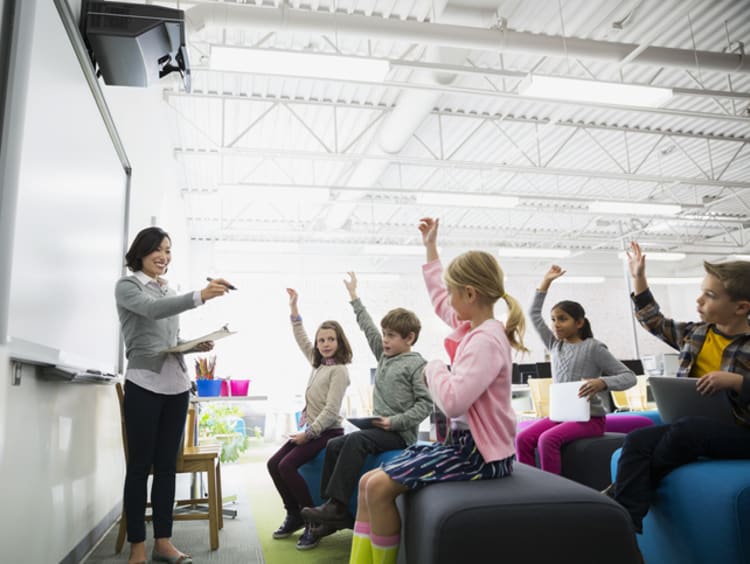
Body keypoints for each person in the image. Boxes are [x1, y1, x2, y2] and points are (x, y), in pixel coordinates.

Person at [346, 217, 527, 564]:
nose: (448, 302)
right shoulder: (475, 326)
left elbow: (452, 401)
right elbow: (441, 300)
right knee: (368, 481)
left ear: (470, 294)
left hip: (480, 455)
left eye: (455, 292)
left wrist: (434, 367)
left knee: (379, 488)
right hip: (462, 445)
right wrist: (430, 248)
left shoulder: (486, 340)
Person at [606, 241, 750, 534]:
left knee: (688, 430)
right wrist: (638, 278)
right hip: (698, 426)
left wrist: (738, 382)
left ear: (741, 307)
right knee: (636, 441)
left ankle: (626, 489)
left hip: (742, 433)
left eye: (710, 296)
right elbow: (653, 320)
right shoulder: (695, 334)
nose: (699, 301)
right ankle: (624, 523)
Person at [115, 226, 232, 564]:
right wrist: (201, 296)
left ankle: (163, 543)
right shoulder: (128, 286)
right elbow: (152, 311)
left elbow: (170, 335)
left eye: (168, 250)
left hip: (176, 386)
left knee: (167, 467)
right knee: (140, 467)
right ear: (142, 251)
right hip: (143, 384)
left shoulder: (169, 288)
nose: (164, 257)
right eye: (158, 249)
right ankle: (138, 546)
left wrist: (195, 345)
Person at [300, 271, 432, 545]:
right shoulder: (384, 354)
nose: (384, 340)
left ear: (409, 338)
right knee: (335, 445)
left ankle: (336, 506)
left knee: (356, 442)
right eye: (384, 334)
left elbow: (425, 405)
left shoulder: (416, 364)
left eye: (391, 336)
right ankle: (332, 509)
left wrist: (394, 421)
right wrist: (353, 296)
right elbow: (367, 326)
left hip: (399, 433)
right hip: (378, 426)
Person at [516, 265, 636, 474]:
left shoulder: (594, 348)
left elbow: (629, 377)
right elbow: (533, 313)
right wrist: (546, 282)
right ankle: (533, 486)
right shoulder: (555, 345)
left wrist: (602, 383)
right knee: (523, 438)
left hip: (590, 419)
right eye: (553, 319)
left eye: (562, 319)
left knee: (547, 439)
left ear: (579, 322)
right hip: (561, 415)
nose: (556, 324)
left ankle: (557, 491)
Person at [267, 288, 353, 550]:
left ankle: (313, 523)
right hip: (312, 429)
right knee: (273, 463)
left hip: (328, 432)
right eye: (321, 340)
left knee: (287, 466)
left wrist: (309, 433)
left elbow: (330, 411)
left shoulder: (339, 371)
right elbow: (301, 338)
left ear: (340, 343)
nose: (325, 344)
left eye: (331, 339)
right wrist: (294, 310)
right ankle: (293, 514)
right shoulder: (318, 365)